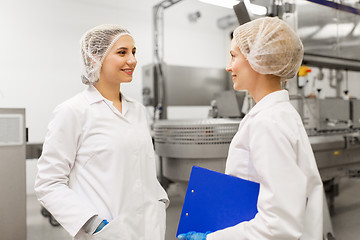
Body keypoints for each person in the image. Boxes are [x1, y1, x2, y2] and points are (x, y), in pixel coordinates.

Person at [178, 17, 323, 240]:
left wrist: (211, 239)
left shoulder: (269, 122)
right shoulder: (276, 114)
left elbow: (278, 225)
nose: (228, 66)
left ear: (259, 59)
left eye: (233, 56)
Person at [35, 24, 169, 240]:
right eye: (122, 52)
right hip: (106, 232)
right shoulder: (73, 111)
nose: (132, 60)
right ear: (94, 59)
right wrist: (93, 223)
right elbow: (48, 183)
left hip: (149, 228)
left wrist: (160, 201)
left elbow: (142, 168)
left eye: (134, 52)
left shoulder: (138, 111)